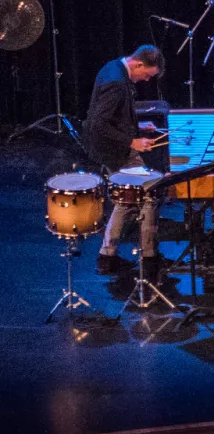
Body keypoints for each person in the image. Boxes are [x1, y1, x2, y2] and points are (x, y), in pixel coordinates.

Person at [81, 45, 165, 279]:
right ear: (138, 64)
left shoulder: (115, 66)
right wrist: (132, 141)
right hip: (112, 149)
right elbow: (99, 123)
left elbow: (117, 114)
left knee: (128, 198)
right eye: (147, 75)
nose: (145, 80)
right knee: (148, 193)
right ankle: (148, 258)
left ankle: (107, 256)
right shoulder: (116, 83)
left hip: (110, 144)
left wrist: (139, 126)